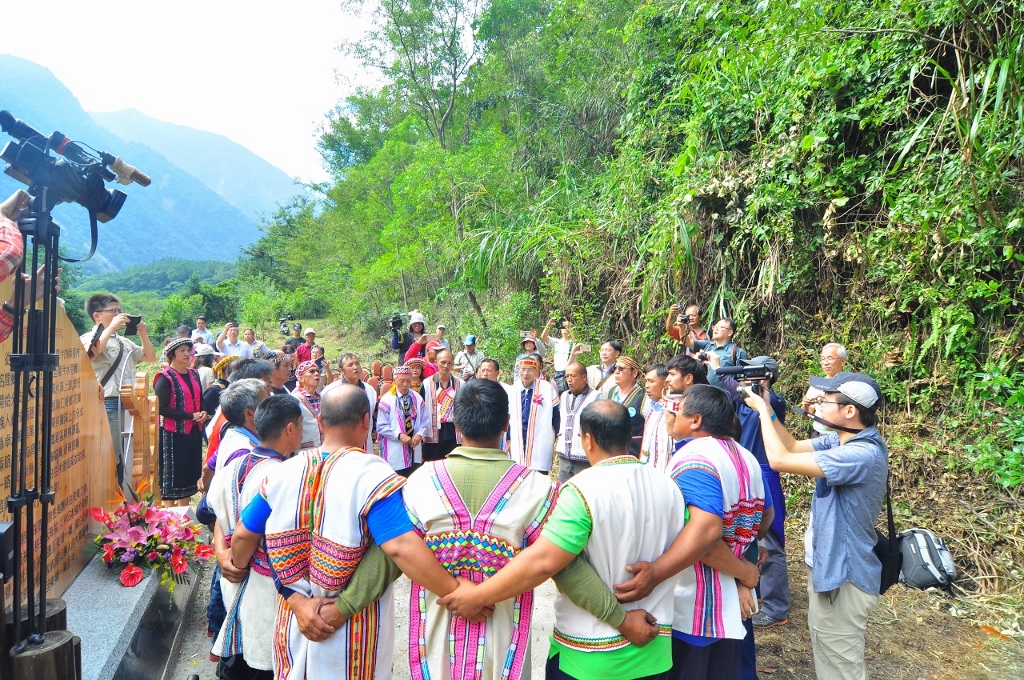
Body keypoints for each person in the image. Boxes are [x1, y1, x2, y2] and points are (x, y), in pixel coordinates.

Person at [368, 381, 654, 678]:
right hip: (505, 643)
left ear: (456, 424)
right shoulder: (540, 490)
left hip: (436, 642)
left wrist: (339, 609)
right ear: (507, 423)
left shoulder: (419, 482)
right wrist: (621, 621)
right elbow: (566, 567)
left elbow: (391, 554)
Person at [440, 399, 685, 680]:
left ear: (587, 440)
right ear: (629, 436)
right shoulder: (669, 485)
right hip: (655, 651)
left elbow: (545, 561)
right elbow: (693, 541)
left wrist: (478, 596)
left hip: (591, 657)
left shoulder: (582, 490)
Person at [230, 384, 460, 679]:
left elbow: (243, 535)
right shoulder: (373, 475)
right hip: (351, 629)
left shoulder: (280, 473)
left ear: (321, 422)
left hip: (295, 620)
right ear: (367, 421)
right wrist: (456, 593)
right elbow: (400, 546)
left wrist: (237, 567)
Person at [614, 385, 772, 680]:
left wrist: (654, 574)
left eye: (680, 406)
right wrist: (742, 566)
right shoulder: (747, 458)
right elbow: (765, 519)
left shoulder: (696, 458)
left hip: (696, 606)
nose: (672, 411)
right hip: (731, 607)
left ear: (696, 420)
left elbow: (705, 535)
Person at [743, 372, 887, 680]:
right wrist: (767, 408)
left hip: (843, 576)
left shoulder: (859, 454)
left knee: (839, 666)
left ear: (850, 411)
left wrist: (759, 412)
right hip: (830, 569)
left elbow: (779, 459)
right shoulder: (841, 439)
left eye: (826, 400)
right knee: (832, 655)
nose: (818, 405)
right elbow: (792, 446)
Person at [206, 391, 288, 680]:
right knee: (262, 658)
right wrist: (236, 560)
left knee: (242, 654)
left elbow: (215, 512)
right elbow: (245, 535)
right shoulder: (280, 475)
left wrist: (222, 553)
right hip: (261, 584)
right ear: (290, 429)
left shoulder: (234, 463)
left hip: (236, 576)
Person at [711, 355, 791, 631]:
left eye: (750, 373)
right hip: (744, 469)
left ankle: (776, 607)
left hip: (765, 471)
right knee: (745, 533)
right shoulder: (742, 401)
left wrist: (761, 393)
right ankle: (756, 589)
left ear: (765, 376)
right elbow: (721, 392)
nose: (743, 378)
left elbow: (764, 405)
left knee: (772, 541)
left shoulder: (773, 403)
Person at [81, 292, 157, 490]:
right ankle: (112, 496)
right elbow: (91, 353)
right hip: (108, 402)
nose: (118, 314)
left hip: (130, 402)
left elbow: (149, 357)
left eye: (119, 310)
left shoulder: (124, 342)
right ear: (97, 315)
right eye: (113, 311)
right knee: (112, 454)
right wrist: (111, 327)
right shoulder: (89, 337)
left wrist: (142, 333)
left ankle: (125, 498)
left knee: (130, 453)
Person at [154, 337, 208, 506]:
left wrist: (204, 411)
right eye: (182, 351)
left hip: (193, 431)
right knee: (173, 475)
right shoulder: (165, 377)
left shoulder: (194, 373)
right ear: (172, 354)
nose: (187, 354)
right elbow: (161, 408)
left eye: (188, 351)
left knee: (189, 471)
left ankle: (185, 512)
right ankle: (170, 515)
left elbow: (199, 399)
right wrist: (190, 416)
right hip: (173, 432)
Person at [509, 354, 560, 474]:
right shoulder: (513, 389)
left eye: (530, 370)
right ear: (518, 370)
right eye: (523, 369)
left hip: (540, 436)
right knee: (519, 472)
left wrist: (558, 434)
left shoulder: (546, 388)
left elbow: (556, 414)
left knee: (539, 474)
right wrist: (508, 438)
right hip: (519, 435)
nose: (526, 373)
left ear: (536, 370)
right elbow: (508, 416)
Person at [376, 365, 429, 475]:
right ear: (395, 381)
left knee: (413, 478)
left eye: (408, 381)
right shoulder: (387, 399)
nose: (405, 385)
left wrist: (419, 434)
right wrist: (400, 435)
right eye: (401, 381)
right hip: (394, 451)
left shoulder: (417, 398)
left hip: (414, 448)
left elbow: (425, 420)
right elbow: (381, 426)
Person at [321, 353, 377, 454]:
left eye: (357, 363)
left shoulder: (370, 390)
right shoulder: (331, 391)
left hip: (365, 441)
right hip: (340, 443)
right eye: (350, 365)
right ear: (341, 371)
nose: (355, 367)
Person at [555, 361, 601, 482]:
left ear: (584, 377)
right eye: (567, 376)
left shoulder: (597, 397)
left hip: (584, 457)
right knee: (563, 491)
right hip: (564, 456)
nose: (569, 380)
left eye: (573, 376)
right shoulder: (564, 395)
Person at [419, 349, 462, 462]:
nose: (446, 366)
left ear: (453, 364)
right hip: (432, 433)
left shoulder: (461, 384)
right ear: (436, 362)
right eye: (443, 362)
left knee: (453, 464)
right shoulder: (427, 384)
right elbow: (421, 409)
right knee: (433, 465)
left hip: (454, 432)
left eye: (449, 363)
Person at [608, 356, 651, 458]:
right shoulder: (611, 392)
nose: (616, 372)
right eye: (615, 368)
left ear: (634, 373)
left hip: (633, 452)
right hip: (611, 451)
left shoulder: (644, 396)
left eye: (621, 369)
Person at [802, 343, 849, 435]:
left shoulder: (850, 385)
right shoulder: (817, 384)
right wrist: (806, 405)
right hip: (818, 434)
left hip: (840, 436)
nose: (825, 363)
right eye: (823, 359)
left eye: (830, 359)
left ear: (843, 362)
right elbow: (808, 415)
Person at [682, 318, 748, 380]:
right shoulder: (707, 345)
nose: (716, 329)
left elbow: (744, 379)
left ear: (730, 332)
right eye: (715, 327)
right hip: (709, 391)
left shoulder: (737, 352)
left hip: (727, 392)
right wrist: (681, 326)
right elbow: (686, 342)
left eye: (721, 327)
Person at [640, 363, 674, 473]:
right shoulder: (651, 408)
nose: (646, 385)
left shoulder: (672, 411)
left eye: (651, 381)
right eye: (646, 381)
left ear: (666, 383)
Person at [291, 360, 323, 452]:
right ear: (301, 378)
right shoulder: (294, 399)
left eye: (318, 371)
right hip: (303, 452)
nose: (316, 374)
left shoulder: (322, 398)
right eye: (311, 371)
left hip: (323, 451)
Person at [542, 316, 574, 393]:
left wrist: (570, 327)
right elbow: (543, 337)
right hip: (558, 374)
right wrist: (549, 324)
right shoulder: (556, 342)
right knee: (560, 396)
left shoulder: (572, 342)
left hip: (571, 372)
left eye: (565, 327)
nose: (565, 329)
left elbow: (576, 339)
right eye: (563, 327)